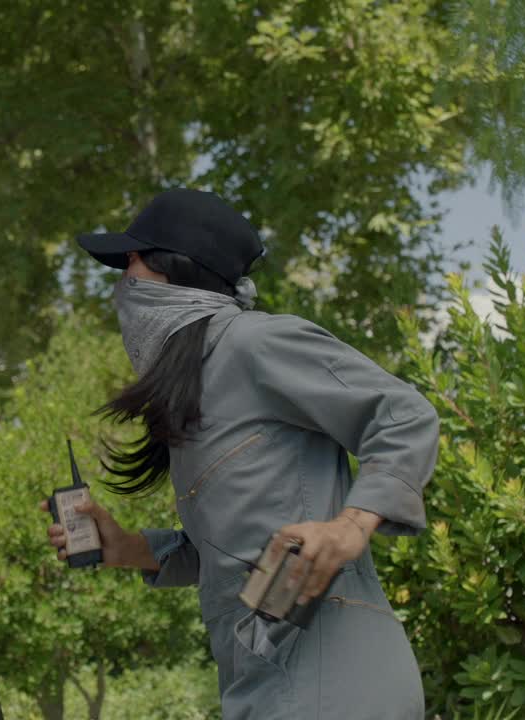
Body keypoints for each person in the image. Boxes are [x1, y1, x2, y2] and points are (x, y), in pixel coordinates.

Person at [41, 188, 440, 718]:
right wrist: (129, 548)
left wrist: (351, 525)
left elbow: (405, 415)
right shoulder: (193, 394)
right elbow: (232, 551)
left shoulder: (256, 342)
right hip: (258, 680)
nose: (122, 284)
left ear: (175, 268)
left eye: (131, 262)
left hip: (336, 675)